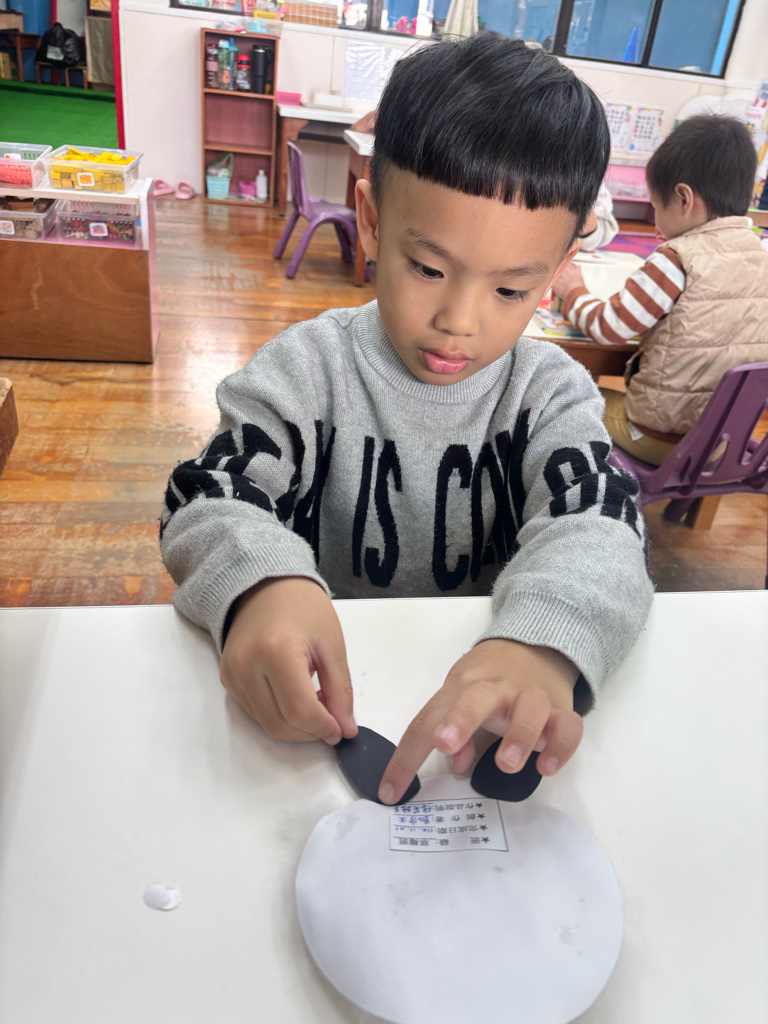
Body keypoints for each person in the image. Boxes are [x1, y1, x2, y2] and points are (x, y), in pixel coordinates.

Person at [160, 33, 653, 806]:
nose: (459, 320)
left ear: (558, 276)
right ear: (371, 219)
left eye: (511, 291)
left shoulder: (551, 394)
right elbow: (209, 493)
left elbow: (601, 525)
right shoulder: (307, 370)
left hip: (477, 716)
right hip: (326, 710)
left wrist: (545, 643)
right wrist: (257, 585)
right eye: (428, 268)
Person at [553, 114, 768, 466]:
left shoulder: (675, 261)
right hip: (724, 440)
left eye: (655, 207)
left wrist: (573, 289)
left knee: (563, 396)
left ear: (683, 198)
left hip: (660, 438)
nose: (655, 218)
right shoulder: (758, 254)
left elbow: (609, 327)